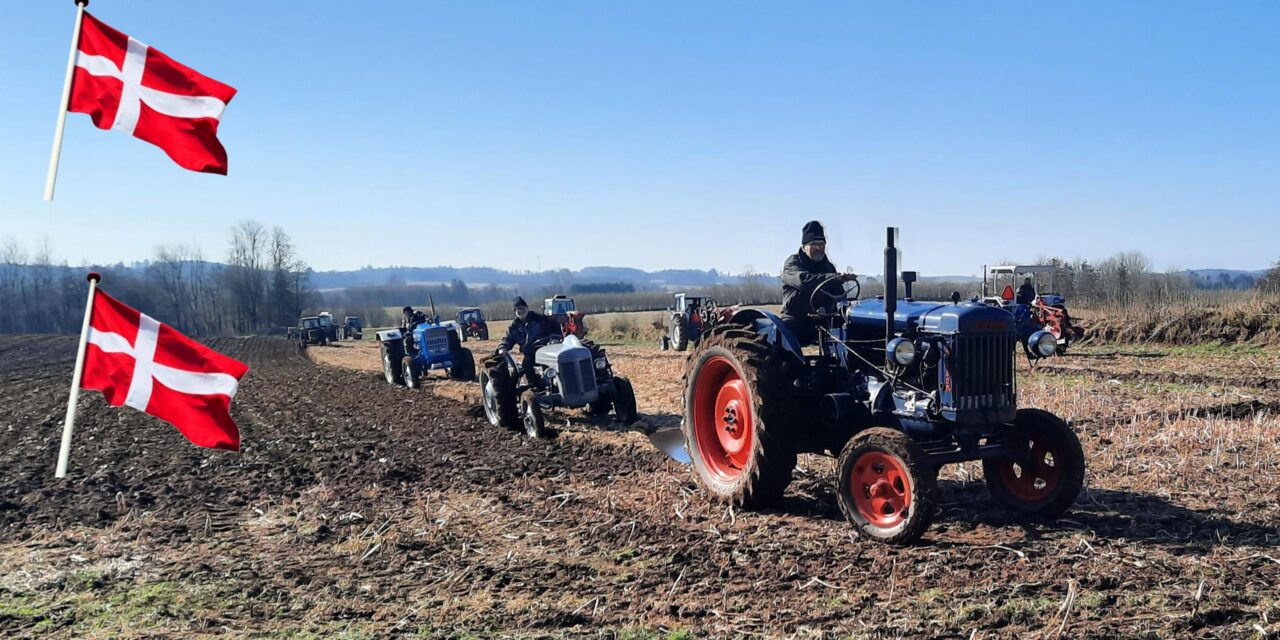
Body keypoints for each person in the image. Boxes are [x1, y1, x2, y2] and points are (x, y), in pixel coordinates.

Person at [780, 220, 850, 346]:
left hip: (823, 317)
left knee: (850, 325)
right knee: (787, 331)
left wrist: (826, 309)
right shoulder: (792, 264)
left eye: (822, 244)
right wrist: (835, 278)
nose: (819, 248)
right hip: (797, 317)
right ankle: (789, 364)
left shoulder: (828, 267)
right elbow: (804, 282)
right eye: (814, 244)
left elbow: (839, 295)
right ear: (804, 247)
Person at [499, 296, 562, 388]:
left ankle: (558, 383)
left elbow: (554, 330)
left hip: (546, 349)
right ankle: (534, 387)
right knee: (526, 364)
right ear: (515, 312)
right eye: (518, 309)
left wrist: (555, 338)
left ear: (527, 308)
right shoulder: (513, 327)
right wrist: (503, 347)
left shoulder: (540, 319)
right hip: (530, 352)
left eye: (522, 308)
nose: (520, 311)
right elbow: (507, 339)